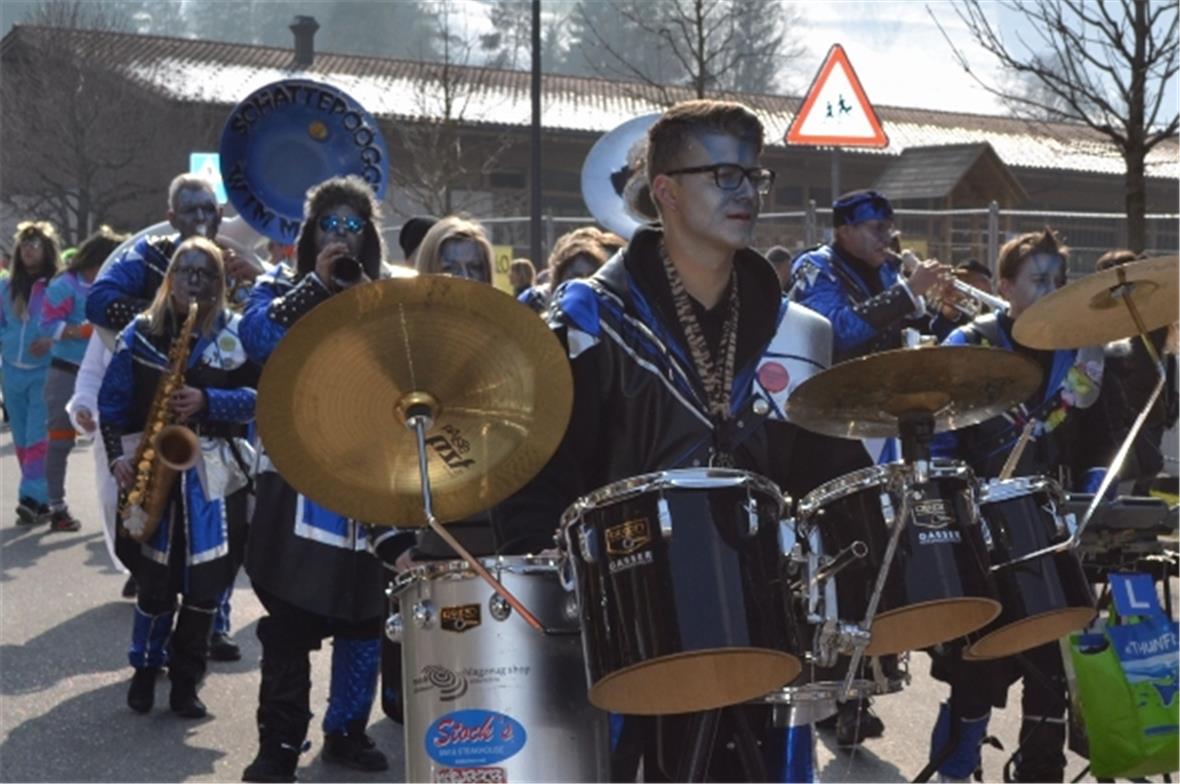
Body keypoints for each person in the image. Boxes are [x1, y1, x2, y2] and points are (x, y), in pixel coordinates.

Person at [491, 99, 868, 781]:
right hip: (629, 631)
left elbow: (829, 477)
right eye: (724, 175)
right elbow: (536, 472)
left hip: (763, 626)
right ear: (664, 191)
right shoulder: (590, 321)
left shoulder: (797, 330)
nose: (747, 192)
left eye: (754, 176)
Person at [925, 229, 1120, 783]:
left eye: (1058, 280)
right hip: (983, 527)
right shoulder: (970, 343)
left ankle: (1040, 770)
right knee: (977, 662)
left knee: (1054, 664)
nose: (1051, 290)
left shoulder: (1079, 353)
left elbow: (1100, 441)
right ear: (1005, 285)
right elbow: (941, 441)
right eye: (1037, 280)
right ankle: (956, 765)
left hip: (1055, 530)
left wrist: (1095, 495)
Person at [239, 175, 392, 782]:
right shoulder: (279, 287)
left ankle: (347, 731)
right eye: (329, 224)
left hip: (367, 480)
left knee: (364, 619)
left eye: (352, 226)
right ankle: (279, 742)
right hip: (295, 484)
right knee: (289, 620)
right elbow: (257, 340)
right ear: (310, 234)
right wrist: (315, 287)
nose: (340, 236)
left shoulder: (387, 295)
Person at [87, 173, 253, 662]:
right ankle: (149, 652)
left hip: (220, 439)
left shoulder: (236, 259)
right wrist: (167, 309)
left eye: (208, 210)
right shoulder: (150, 254)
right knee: (155, 546)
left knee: (221, 544)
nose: (201, 219)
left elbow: (265, 356)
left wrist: (255, 280)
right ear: (171, 217)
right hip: (155, 421)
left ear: (219, 214)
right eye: (190, 211)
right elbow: (98, 300)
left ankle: (213, 628)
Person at [789, 190, 946, 362]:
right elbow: (835, 333)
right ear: (846, 231)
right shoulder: (815, 265)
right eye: (878, 229)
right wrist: (909, 291)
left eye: (889, 229)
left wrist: (948, 316)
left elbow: (909, 331)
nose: (887, 239)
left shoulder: (886, 268)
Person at [39, 226, 127, 532]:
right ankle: (56, 506)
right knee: (60, 442)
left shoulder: (117, 287)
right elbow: (46, 326)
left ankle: (119, 508)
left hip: (107, 375)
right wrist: (85, 330)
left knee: (112, 446)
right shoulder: (64, 286)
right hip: (66, 372)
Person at [1095, 249, 1178, 495]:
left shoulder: (1144, 316)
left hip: (1141, 408)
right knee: (1131, 473)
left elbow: (1162, 358)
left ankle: (1138, 508)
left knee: (1140, 471)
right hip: (1130, 409)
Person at [1, 221, 62, 525]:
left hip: (45, 372)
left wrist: (52, 341)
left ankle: (29, 497)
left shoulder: (58, 285)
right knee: (23, 439)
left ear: (46, 249)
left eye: (35, 244)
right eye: (24, 245)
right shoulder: (6, 287)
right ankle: (41, 497)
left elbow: (74, 320)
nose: (28, 249)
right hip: (11, 372)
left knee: (38, 436)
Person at [67, 330, 135, 596]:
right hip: (114, 431)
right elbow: (91, 374)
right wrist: (83, 407)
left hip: (163, 428)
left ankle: (152, 573)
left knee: (161, 505)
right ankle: (135, 565)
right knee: (112, 502)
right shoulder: (106, 324)